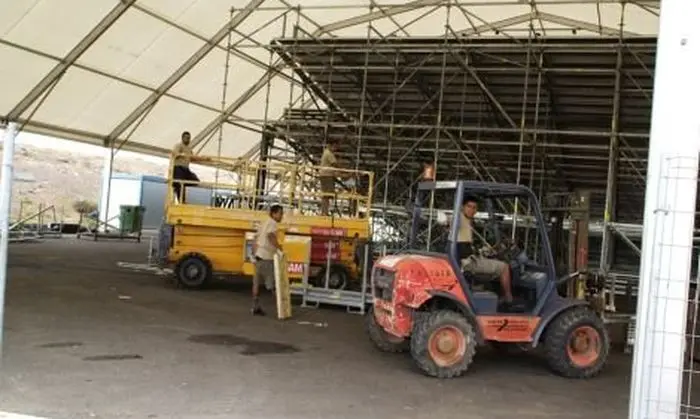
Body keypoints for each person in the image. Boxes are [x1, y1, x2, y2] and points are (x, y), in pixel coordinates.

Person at [456, 196, 514, 304]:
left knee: (495, 260)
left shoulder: (469, 222)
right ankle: (508, 298)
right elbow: (449, 220)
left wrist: (489, 250)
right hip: (468, 262)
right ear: (462, 207)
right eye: (469, 206)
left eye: (474, 208)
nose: (471, 210)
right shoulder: (459, 218)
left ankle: (495, 293)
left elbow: (471, 246)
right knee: (504, 267)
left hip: (469, 257)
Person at [251, 205, 284, 316]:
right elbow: (270, 235)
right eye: (280, 213)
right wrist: (279, 247)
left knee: (256, 283)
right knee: (272, 284)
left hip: (258, 256)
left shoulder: (264, 222)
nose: (281, 216)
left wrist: (254, 253)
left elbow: (255, 238)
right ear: (274, 214)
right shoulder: (273, 223)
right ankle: (282, 307)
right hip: (266, 257)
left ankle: (255, 307)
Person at [171, 131, 200, 203]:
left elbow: (193, 158)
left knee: (195, 181)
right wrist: (181, 154)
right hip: (178, 168)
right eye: (186, 138)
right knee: (180, 183)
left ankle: (176, 186)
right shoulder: (178, 145)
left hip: (186, 169)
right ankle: (181, 201)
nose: (188, 140)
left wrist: (205, 159)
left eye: (189, 138)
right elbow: (175, 154)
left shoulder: (189, 148)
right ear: (182, 138)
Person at [319, 141, 339, 216]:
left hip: (326, 175)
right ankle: (324, 212)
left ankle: (325, 211)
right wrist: (344, 169)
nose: (336, 149)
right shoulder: (328, 153)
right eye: (335, 146)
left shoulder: (326, 153)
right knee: (326, 195)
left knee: (327, 195)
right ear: (330, 145)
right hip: (326, 176)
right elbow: (335, 164)